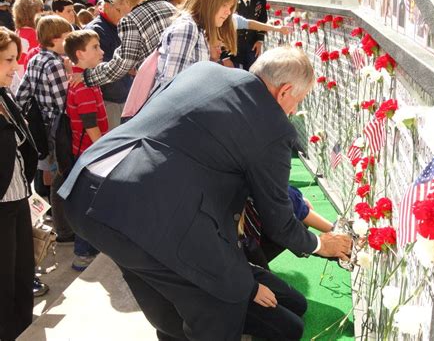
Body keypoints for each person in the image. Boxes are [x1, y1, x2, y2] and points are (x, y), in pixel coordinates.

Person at [58, 47, 352, 339]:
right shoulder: (272, 127)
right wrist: (319, 245)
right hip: (146, 216)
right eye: (296, 102)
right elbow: (277, 215)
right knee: (220, 306)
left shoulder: (204, 71)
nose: (292, 112)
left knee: (163, 295)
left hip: (84, 189)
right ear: (285, 91)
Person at [16, 15, 73, 244]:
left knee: (46, 173)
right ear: (54, 39)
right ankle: (64, 230)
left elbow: (22, 94)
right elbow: (63, 103)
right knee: (60, 176)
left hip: (41, 126)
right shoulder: (56, 64)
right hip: (57, 128)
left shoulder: (36, 60)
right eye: (67, 38)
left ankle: (47, 219)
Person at [0, 26, 38, 341]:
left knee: (23, 276)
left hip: (18, 199)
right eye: (9, 60)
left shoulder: (5, 94)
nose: (16, 67)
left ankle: (24, 332)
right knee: (4, 284)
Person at [72, 0, 175, 88]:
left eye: (118, 9)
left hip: (158, 84)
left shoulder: (130, 19)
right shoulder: (168, 6)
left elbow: (122, 64)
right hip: (179, 78)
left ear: (125, 1)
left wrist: (87, 77)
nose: (120, 14)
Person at [64, 29, 107, 271]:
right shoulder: (84, 87)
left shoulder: (86, 79)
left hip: (87, 154)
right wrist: (105, 152)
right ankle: (82, 252)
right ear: (80, 54)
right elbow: (91, 126)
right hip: (92, 155)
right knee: (89, 204)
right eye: (95, 47)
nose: (101, 51)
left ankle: (89, 247)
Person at [153, 0, 237, 87]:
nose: (228, 12)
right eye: (224, 5)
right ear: (208, 0)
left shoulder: (197, 29)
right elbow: (170, 85)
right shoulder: (188, 28)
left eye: (230, 7)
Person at [84, 0, 132, 129]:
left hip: (123, 97)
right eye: (119, 10)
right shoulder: (95, 30)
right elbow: (99, 66)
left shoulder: (119, 25)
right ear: (106, 6)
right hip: (109, 101)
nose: (124, 14)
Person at [231, 0, 268, 70]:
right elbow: (223, 25)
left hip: (252, 43)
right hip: (234, 44)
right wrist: (225, 57)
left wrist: (259, 39)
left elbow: (262, 17)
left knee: (253, 72)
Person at [11, 0, 44, 71]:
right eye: (41, 9)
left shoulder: (18, 31)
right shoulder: (34, 34)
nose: (43, 12)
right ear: (33, 12)